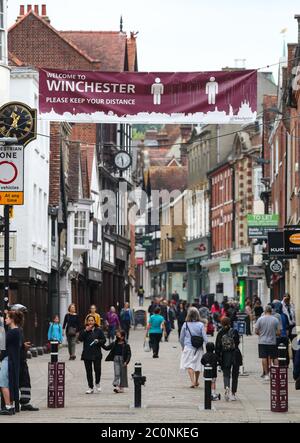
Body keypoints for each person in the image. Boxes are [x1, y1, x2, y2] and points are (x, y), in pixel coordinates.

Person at [0, 310, 23, 415]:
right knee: (9, 383)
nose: (5, 319)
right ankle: (11, 406)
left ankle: (8, 406)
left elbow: (2, 343)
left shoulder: (13, 332)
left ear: (12, 319)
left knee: (3, 383)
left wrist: (0, 325)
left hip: (7, 359)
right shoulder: (17, 331)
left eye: (7, 317)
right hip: (10, 359)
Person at [180, 307, 208, 388]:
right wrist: (207, 346)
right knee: (197, 365)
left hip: (188, 347)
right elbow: (205, 337)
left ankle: (192, 382)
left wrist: (183, 346)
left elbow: (181, 338)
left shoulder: (185, 324)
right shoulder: (201, 325)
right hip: (199, 348)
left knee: (189, 365)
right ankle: (196, 381)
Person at [215, 317, 242, 402]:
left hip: (225, 356)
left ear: (222, 323)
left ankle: (227, 387)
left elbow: (217, 347)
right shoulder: (234, 331)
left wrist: (218, 359)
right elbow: (237, 343)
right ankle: (233, 394)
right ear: (230, 322)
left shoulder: (220, 332)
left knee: (226, 374)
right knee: (235, 375)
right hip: (235, 355)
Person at [78, 315, 106, 394]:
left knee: (97, 370)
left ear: (94, 321)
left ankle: (97, 382)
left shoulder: (98, 330)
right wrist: (85, 331)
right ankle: (90, 387)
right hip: (87, 353)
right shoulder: (84, 330)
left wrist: (98, 341)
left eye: (92, 320)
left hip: (97, 353)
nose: (90, 322)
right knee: (88, 371)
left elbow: (104, 340)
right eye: (89, 320)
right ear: (87, 322)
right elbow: (80, 339)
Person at [255, 305, 281, 381]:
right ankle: (277, 374)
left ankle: (266, 374)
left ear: (265, 311)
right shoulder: (275, 320)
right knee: (275, 357)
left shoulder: (260, 319)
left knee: (264, 358)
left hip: (262, 341)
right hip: (272, 342)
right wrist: (273, 333)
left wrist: (261, 334)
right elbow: (279, 332)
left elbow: (256, 331)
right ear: (271, 311)